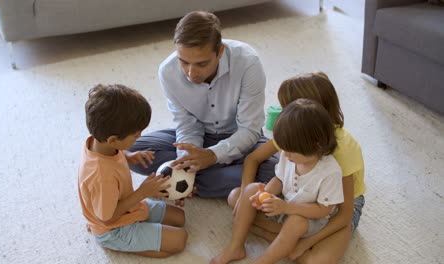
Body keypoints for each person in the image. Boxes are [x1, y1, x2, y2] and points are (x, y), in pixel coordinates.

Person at [128, 11, 278, 201]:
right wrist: (185, 164)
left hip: (240, 136)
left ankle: (189, 181)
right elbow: (187, 125)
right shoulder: (168, 71)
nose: (191, 73)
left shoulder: (248, 62)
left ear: (220, 51)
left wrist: (213, 155)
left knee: (275, 170)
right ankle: (203, 179)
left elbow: (249, 129)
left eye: (201, 64)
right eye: (184, 62)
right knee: (132, 152)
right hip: (199, 137)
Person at [228, 72, 366, 264]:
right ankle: (285, 238)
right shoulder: (292, 131)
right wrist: (248, 197)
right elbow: (253, 159)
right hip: (297, 194)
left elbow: (343, 214)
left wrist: (306, 242)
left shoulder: (341, 150)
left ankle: (283, 237)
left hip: (335, 208)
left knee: (316, 260)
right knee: (237, 198)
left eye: (287, 108)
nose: (284, 114)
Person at [211, 98, 344, 264]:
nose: (285, 155)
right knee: (247, 191)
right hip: (285, 206)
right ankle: (235, 247)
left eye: (291, 151)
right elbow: (279, 179)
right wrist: (265, 193)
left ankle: (264, 260)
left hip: (310, 220)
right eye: (283, 149)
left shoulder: (330, 172)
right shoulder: (289, 156)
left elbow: (323, 210)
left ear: (317, 144)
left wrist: (288, 208)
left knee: (295, 223)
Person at [78, 84, 188, 258]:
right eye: (136, 135)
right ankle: (112, 243)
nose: (140, 137)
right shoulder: (102, 177)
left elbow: (115, 152)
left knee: (180, 218)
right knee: (179, 240)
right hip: (113, 227)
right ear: (113, 139)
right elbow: (107, 217)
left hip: (129, 207)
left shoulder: (99, 142)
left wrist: (129, 155)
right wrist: (143, 192)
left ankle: (133, 227)